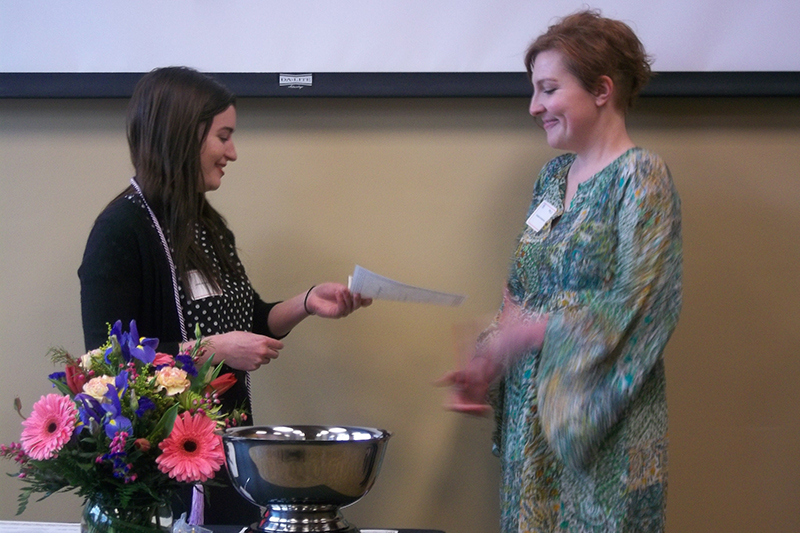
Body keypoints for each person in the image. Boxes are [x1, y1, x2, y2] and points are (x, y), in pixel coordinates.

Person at [78, 66, 371, 525]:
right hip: (157, 471)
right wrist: (211, 350)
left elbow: (249, 319)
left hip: (223, 456)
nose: (232, 153)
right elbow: (104, 361)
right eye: (223, 136)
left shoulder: (207, 225)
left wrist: (309, 301)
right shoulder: (121, 230)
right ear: (182, 136)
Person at [438, 10, 682, 533]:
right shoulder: (552, 178)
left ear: (601, 89)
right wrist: (487, 361)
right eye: (534, 91)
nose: (534, 107)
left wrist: (535, 331)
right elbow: (522, 290)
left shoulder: (641, 177)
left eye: (548, 89)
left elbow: (645, 302)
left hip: (603, 423)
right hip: (534, 420)